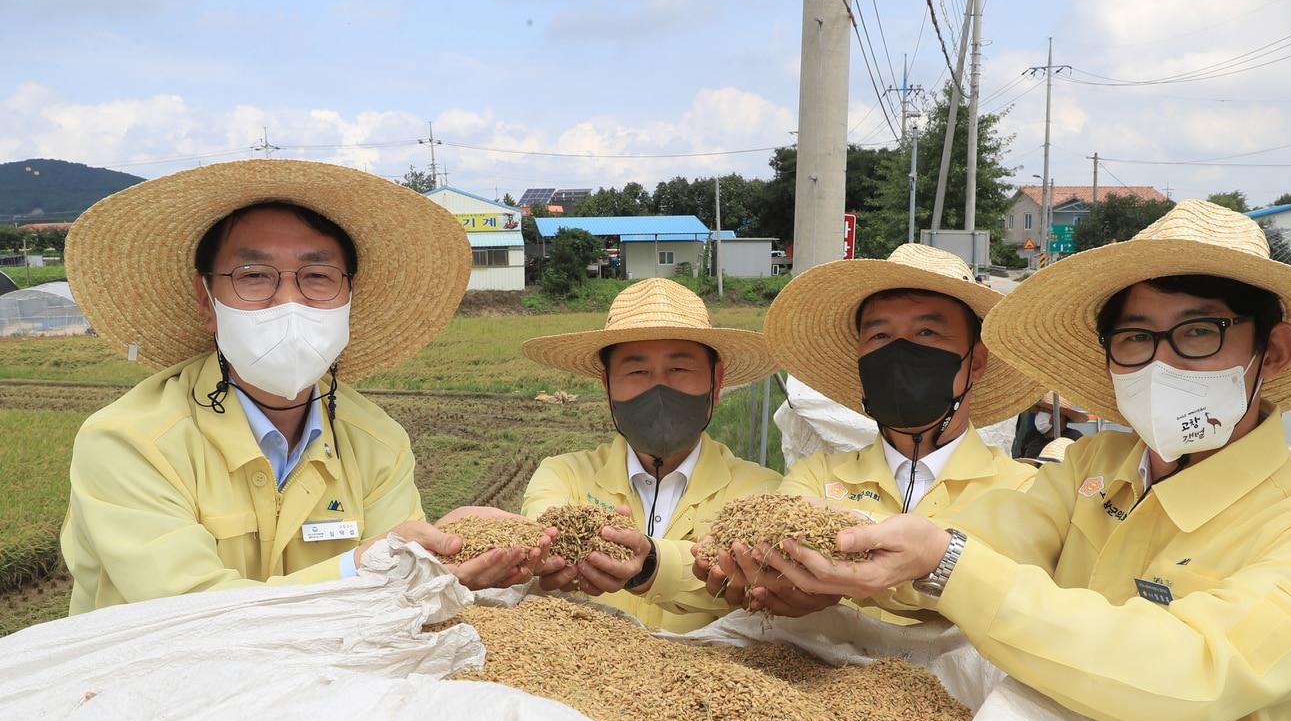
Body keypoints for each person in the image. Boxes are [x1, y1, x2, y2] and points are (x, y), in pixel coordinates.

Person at [751, 201, 1291, 721]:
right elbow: (981, 539)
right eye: (1136, 338)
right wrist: (828, 564)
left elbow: (1194, 669)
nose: (1162, 362)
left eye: (1199, 332)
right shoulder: (1094, 469)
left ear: (1275, 350)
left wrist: (944, 563)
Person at [62, 159, 547, 614]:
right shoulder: (130, 442)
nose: (288, 301)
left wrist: (448, 544)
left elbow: (402, 592)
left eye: (317, 276)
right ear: (207, 299)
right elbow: (191, 615)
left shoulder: (378, 443)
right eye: (253, 276)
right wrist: (360, 568)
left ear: (349, 297)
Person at [693, 243, 1042, 621]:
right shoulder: (818, 477)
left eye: (926, 332)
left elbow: (1015, 599)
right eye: (879, 337)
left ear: (975, 362)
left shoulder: (1023, 490)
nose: (899, 353)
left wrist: (893, 573)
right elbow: (777, 555)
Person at [519, 278, 780, 632]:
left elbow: (760, 583)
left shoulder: (762, 492)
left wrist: (652, 565)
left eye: (680, 369)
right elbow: (542, 528)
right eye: (637, 371)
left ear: (716, 382)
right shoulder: (565, 476)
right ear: (607, 385)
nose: (659, 387)